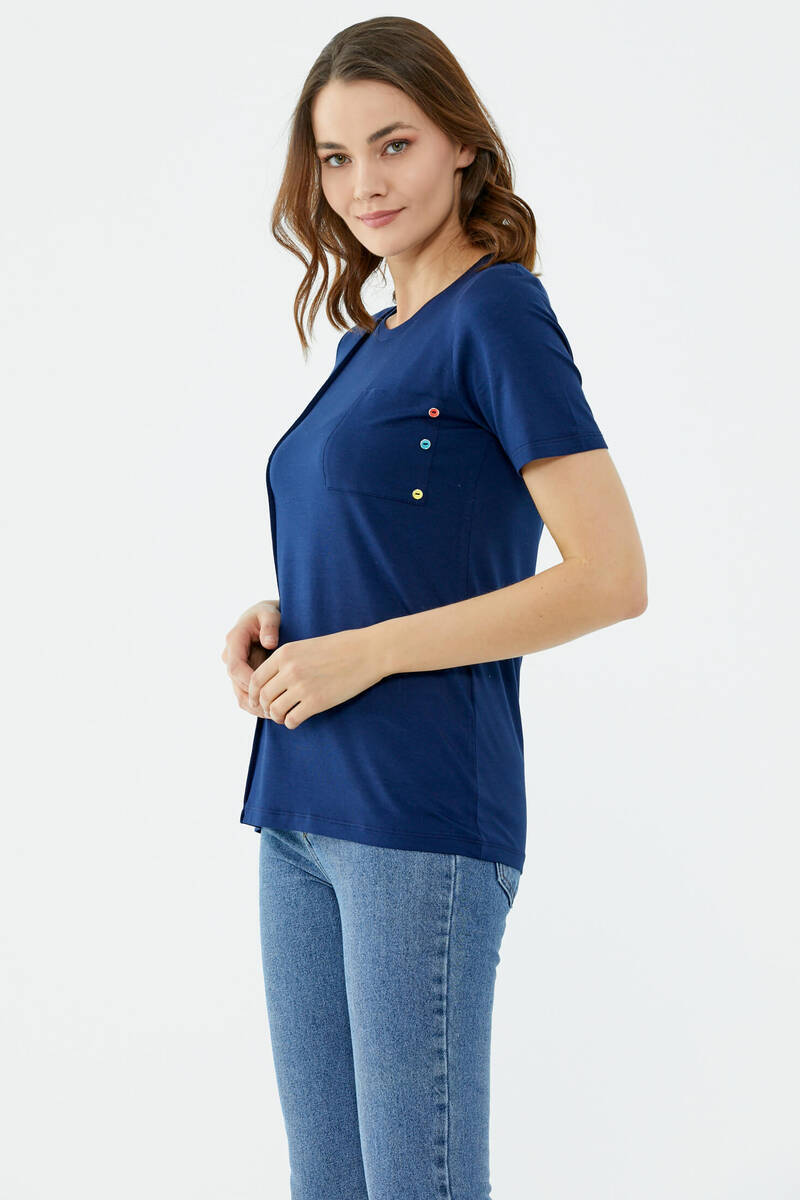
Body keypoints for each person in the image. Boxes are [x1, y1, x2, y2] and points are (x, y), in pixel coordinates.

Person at [220, 17, 647, 1200]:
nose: (363, 182)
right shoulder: (366, 343)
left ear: (460, 141)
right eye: (335, 156)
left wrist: (360, 652)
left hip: (416, 816)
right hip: (297, 805)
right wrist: (286, 617)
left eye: (393, 143)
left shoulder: (496, 313)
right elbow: (401, 549)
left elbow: (610, 576)